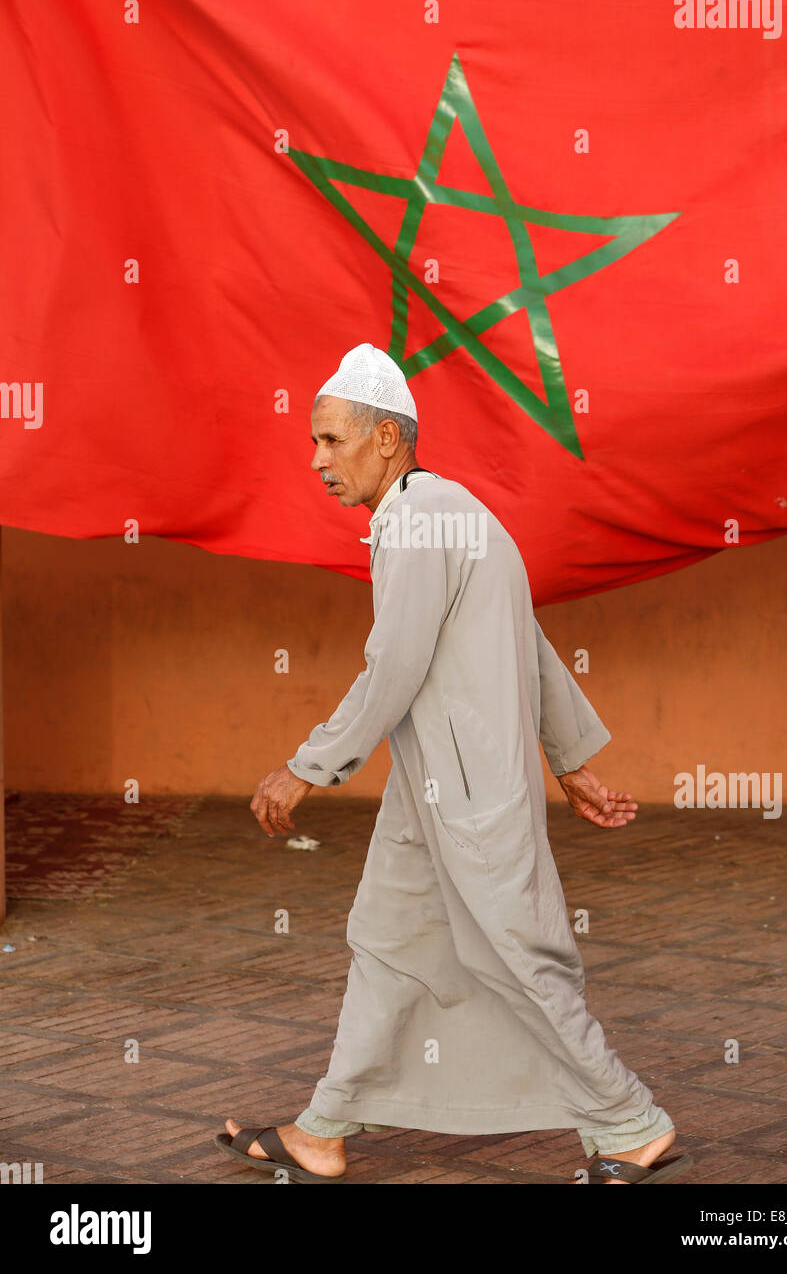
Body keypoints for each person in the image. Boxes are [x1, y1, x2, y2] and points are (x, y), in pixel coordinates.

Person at [215, 343, 691, 1186]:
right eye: (315, 442)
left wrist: (308, 766)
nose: (316, 460)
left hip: (468, 793)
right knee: (387, 943)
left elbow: (393, 663)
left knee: (515, 954)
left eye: (331, 440)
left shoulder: (422, 519)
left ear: (388, 440)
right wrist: (571, 760)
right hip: (429, 789)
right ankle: (325, 1127)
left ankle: (629, 1122)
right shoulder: (448, 512)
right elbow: (531, 642)